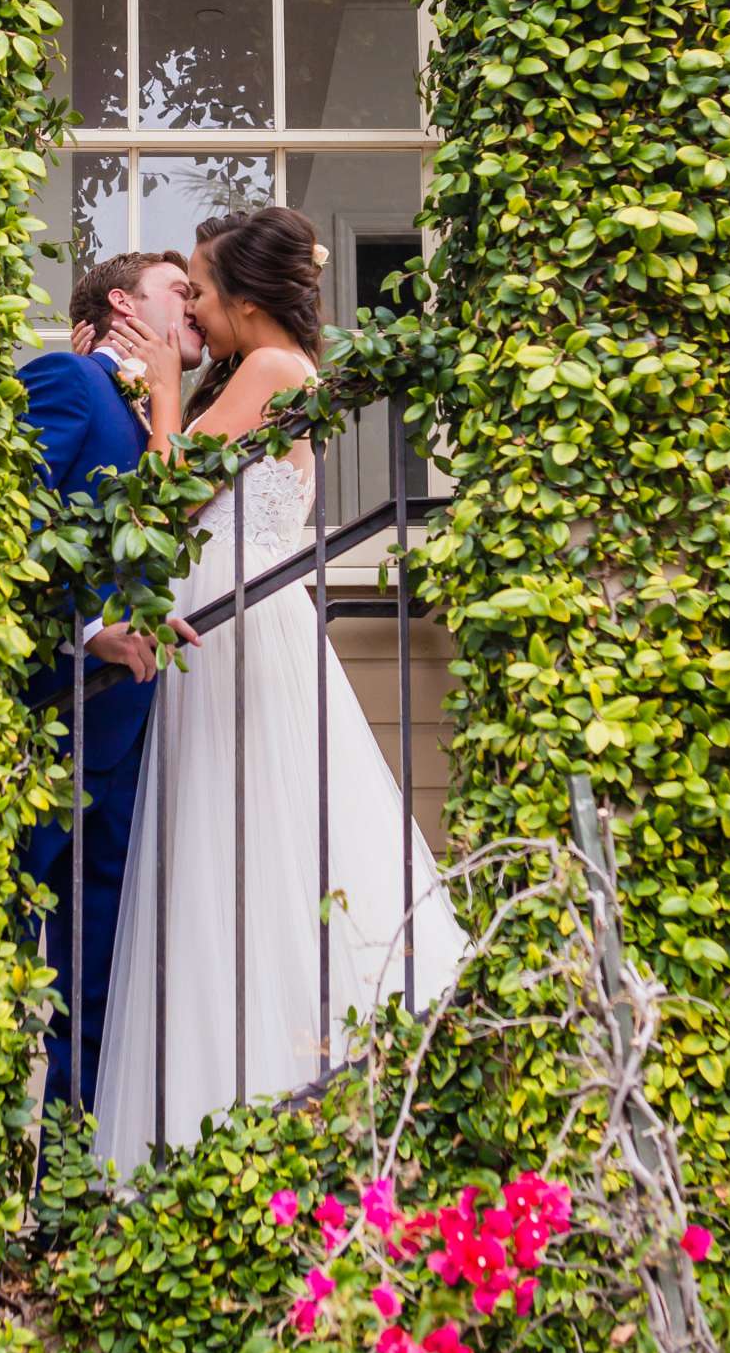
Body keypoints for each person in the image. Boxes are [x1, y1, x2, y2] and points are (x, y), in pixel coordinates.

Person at [87, 205, 467, 1175]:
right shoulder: (269, 371)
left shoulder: (270, 371)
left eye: (203, 292)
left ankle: (255, 1116)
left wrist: (165, 394)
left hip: (244, 643)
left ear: (247, 300)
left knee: (254, 859)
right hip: (228, 637)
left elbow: (168, 505)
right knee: (228, 868)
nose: (196, 311)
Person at [18, 250, 203, 1123]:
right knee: (5, 975)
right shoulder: (69, 380)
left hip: (123, 747)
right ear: (124, 305)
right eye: (180, 290)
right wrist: (89, 631)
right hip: (50, 732)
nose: (196, 302)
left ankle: (72, 1186)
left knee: (96, 989)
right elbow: (9, 525)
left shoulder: (156, 414)